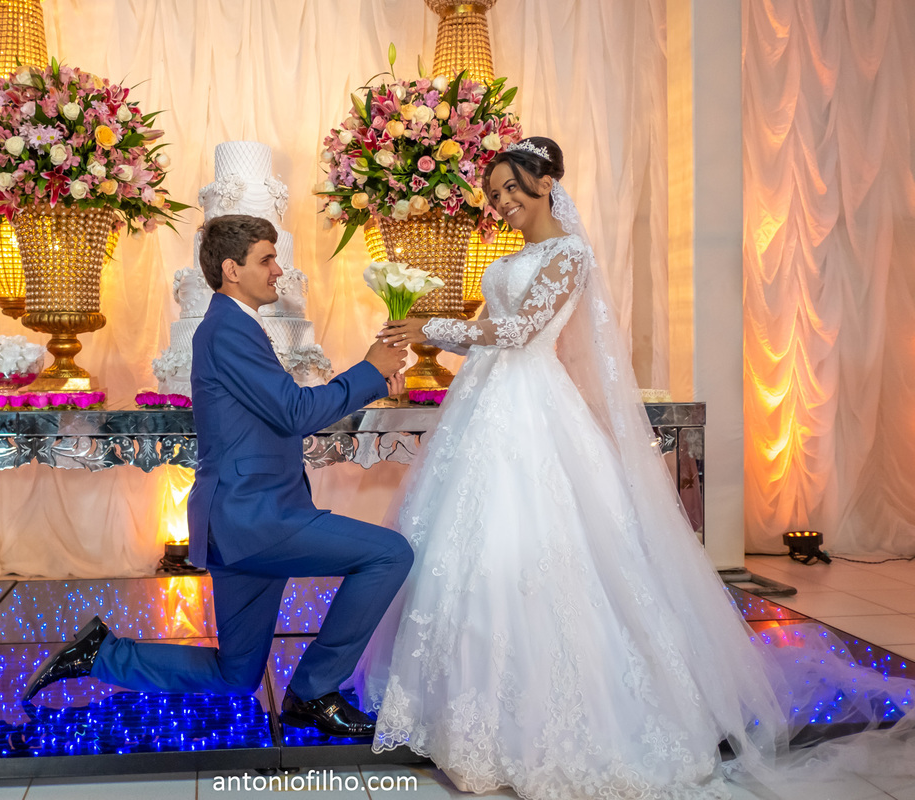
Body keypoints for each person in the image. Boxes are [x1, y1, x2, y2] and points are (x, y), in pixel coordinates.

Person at [354, 137, 915, 797]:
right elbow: (491, 333)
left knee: (539, 548)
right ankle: (454, 708)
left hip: (533, 408)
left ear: (544, 183)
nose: (501, 202)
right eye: (494, 193)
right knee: (465, 547)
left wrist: (431, 328)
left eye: (510, 188)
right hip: (484, 404)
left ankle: (559, 719)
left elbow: (524, 331)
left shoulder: (570, 254)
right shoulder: (511, 258)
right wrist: (430, 339)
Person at [25, 214, 412, 738]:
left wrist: (374, 378)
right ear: (232, 269)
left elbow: (276, 413)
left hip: (241, 520)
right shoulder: (228, 328)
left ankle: (101, 654)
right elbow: (295, 411)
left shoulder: (233, 325)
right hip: (257, 518)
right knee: (390, 554)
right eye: (266, 259)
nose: (278, 270)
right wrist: (368, 370)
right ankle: (314, 692)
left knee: (236, 676)